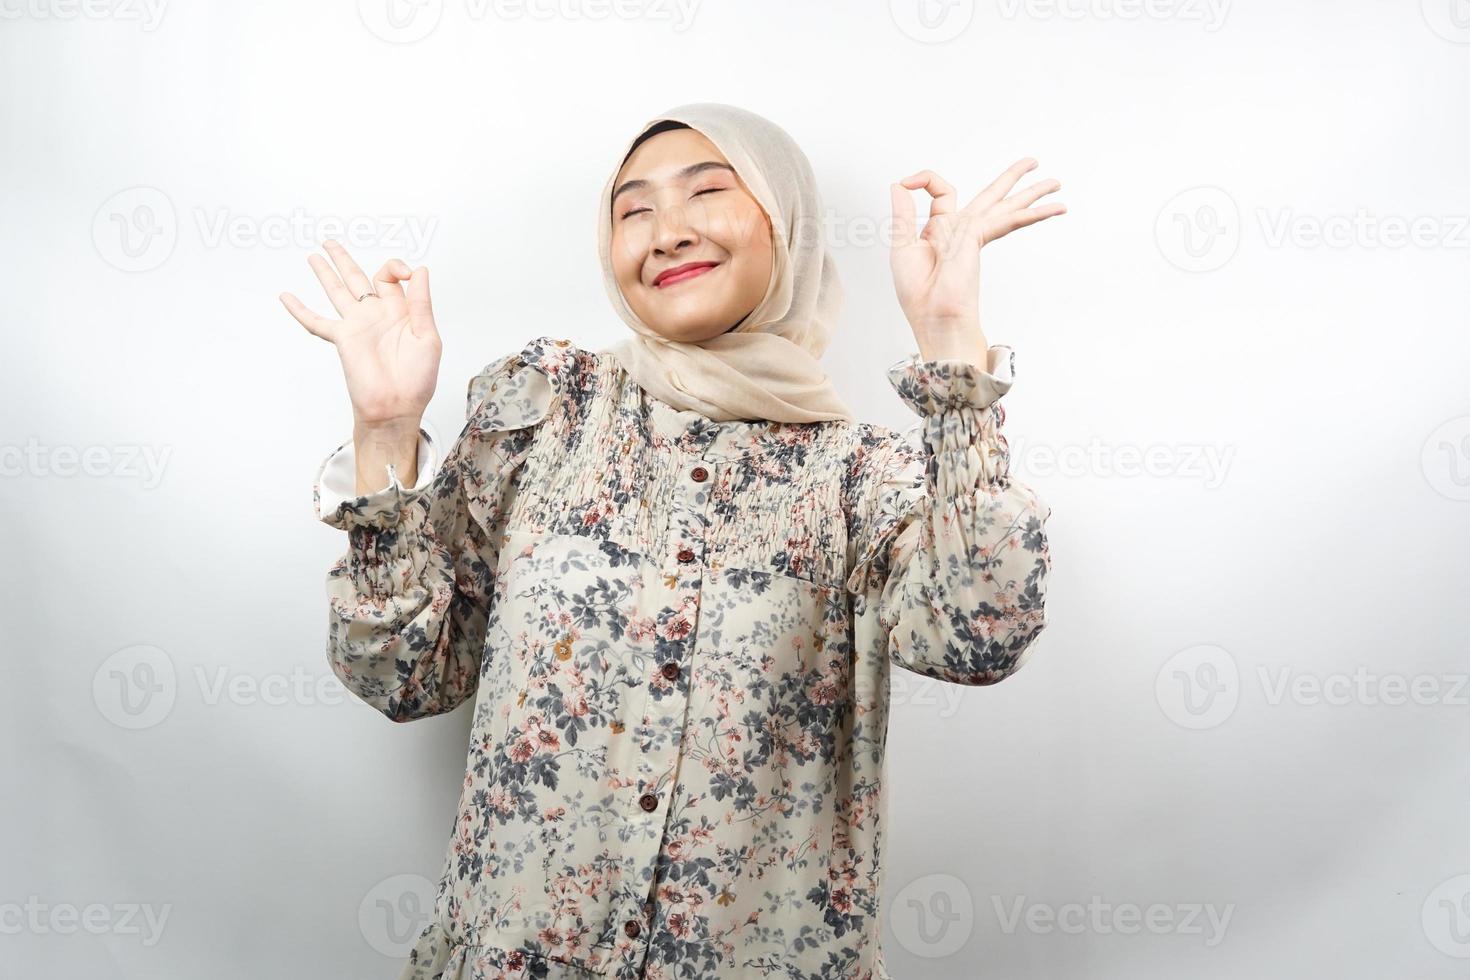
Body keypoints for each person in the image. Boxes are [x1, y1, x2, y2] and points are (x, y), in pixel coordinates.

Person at [281, 102, 1061, 980]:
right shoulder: (546, 410)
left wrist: (951, 341)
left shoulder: (858, 478)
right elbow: (405, 676)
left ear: (786, 225)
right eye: (634, 209)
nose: (666, 232)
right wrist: (385, 429)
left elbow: (981, 637)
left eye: (708, 191)